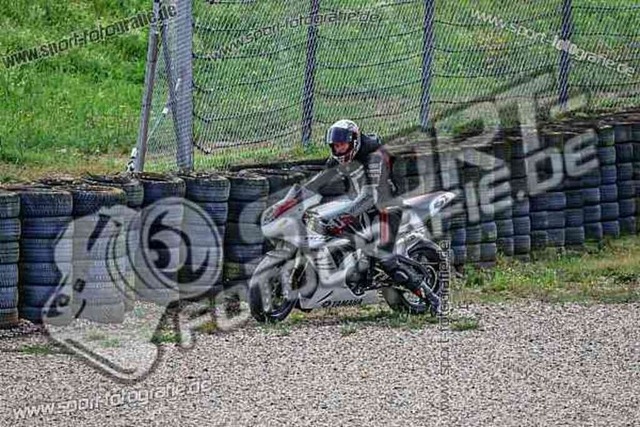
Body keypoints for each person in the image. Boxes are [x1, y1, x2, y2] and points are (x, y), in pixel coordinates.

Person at [304, 119, 435, 304]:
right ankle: (351, 275)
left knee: (385, 259)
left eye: (342, 145)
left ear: (354, 142)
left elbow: (371, 196)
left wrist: (346, 216)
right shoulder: (338, 157)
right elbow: (319, 182)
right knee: (332, 231)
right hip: (363, 206)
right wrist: (295, 201)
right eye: (335, 146)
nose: (339, 149)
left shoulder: (374, 155)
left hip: (387, 208)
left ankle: (432, 299)